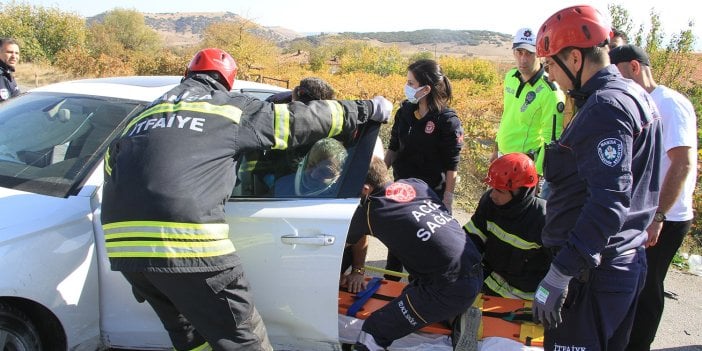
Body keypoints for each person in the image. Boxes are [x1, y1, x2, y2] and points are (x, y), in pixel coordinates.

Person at [100, 48, 391, 351]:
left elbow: (112, 168)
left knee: (187, 334)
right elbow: (299, 121)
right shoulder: (228, 109)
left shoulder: (145, 114)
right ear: (227, 83)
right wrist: (367, 109)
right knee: (243, 338)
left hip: (127, 253)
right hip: (188, 247)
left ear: (186, 75)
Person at [533, 6, 662, 351]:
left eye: (550, 66)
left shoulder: (605, 107)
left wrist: (560, 273)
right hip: (618, 263)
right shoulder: (634, 95)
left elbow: (609, 202)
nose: (550, 76)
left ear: (574, 58)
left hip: (594, 275)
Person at [609, 44, 699, 351]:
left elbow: (683, 163)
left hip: (666, 216)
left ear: (635, 67)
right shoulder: (641, 101)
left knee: (647, 287)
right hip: (645, 212)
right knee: (632, 284)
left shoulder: (670, 103)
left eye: (619, 74)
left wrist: (659, 215)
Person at [346, 157, 482, 351]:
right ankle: (455, 318)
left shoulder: (369, 211)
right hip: (472, 268)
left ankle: (455, 313)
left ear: (365, 189)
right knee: (408, 296)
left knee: (375, 329)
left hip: (447, 287)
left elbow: (342, 243)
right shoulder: (415, 184)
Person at [383, 59, 464, 281]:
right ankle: (389, 285)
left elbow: (452, 165)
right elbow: (393, 148)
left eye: (411, 82)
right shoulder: (405, 112)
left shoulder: (447, 121)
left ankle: (418, 289)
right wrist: (377, 175)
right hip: (402, 190)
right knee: (397, 242)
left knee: (421, 248)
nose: (407, 86)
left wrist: (447, 199)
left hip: (429, 195)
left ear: (426, 89)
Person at [463, 152, 550, 301]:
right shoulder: (489, 203)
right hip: (487, 286)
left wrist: (545, 300)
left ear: (521, 193)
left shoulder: (544, 219)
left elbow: (558, 269)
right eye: (492, 187)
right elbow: (471, 238)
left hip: (523, 301)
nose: (492, 195)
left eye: (500, 190)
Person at [492, 27, 566, 199]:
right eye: (519, 52)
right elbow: (506, 114)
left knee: (518, 218)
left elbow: (551, 139)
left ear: (538, 54)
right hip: (503, 156)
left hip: (525, 166)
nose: (523, 59)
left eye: (529, 53)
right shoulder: (510, 76)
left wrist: (537, 175)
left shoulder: (550, 91)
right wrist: (496, 148)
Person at [273, 137, 348, 196]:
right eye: (311, 165)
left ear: (339, 175)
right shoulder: (281, 186)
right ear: (304, 163)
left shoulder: (345, 199)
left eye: (324, 171)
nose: (313, 175)